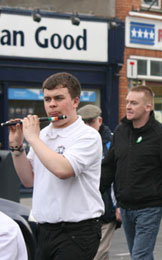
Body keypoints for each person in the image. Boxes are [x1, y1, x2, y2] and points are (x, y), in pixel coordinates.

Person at [8, 72, 104, 260]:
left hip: (77, 231)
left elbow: (63, 170)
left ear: (75, 101)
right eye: (47, 99)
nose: (51, 104)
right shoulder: (43, 135)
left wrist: (33, 138)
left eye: (59, 98)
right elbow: (28, 180)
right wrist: (17, 146)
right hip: (44, 229)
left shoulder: (88, 136)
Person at [100, 86, 162, 260]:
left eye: (134, 103)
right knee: (139, 254)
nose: (128, 106)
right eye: (127, 102)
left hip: (149, 208)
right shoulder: (120, 131)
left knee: (140, 256)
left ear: (148, 107)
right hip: (125, 207)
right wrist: (94, 192)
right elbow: (109, 167)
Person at [78, 104, 121, 260]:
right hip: (84, 210)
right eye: (84, 122)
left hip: (106, 208)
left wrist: (118, 206)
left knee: (96, 254)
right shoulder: (77, 142)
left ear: (100, 120)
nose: (88, 126)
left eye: (91, 122)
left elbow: (118, 176)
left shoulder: (111, 142)